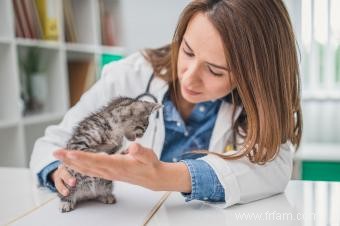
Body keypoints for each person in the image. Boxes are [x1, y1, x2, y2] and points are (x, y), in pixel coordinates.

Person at [30, 0, 302, 208]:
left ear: (253, 76)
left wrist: (167, 176)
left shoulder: (255, 105)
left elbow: (274, 169)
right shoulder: (131, 75)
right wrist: (58, 172)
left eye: (215, 71)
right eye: (187, 51)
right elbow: (52, 143)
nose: (189, 77)